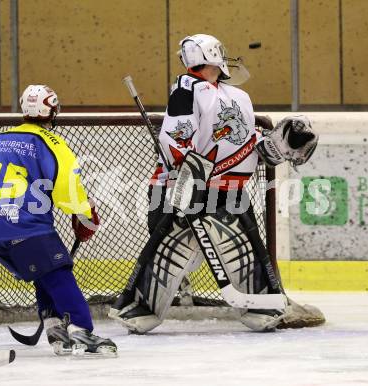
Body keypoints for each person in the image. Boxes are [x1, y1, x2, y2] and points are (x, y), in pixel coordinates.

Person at [109, 34, 320, 333]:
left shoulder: (237, 97)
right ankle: (139, 308)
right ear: (214, 55)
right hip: (181, 192)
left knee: (247, 253)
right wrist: (190, 179)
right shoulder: (187, 88)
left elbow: (242, 144)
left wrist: (276, 146)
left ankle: (268, 305)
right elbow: (175, 141)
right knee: (166, 256)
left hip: (227, 191)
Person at [0, 85, 117, 357]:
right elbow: (67, 187)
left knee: (45, 271)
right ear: (53, 109)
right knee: (58, 270)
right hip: (23, 223)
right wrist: (85, 213)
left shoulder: (2, 139)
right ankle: (82, 332)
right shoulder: (51, 142)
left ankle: (56, 330)